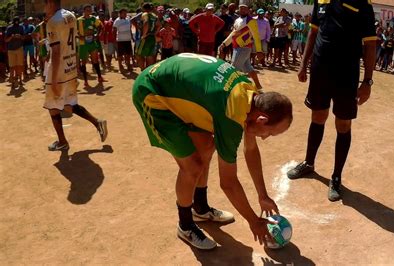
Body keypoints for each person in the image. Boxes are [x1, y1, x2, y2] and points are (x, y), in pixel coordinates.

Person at [132, 53, 292, 250]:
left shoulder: (252, 95)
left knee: (207, 146)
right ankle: (185, 224)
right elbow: (229, 183)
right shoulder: (232, 114)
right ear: (261, 120)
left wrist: (262, 195)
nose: (266, 137)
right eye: (270, 133)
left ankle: (200, 208)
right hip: (153, 93)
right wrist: (254, 221)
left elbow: (250, 150)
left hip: (180, 87)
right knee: (192, 166)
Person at [287, 0, 376, 201]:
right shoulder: (321, 0)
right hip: (320, 69)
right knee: (317, 116)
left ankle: (336, 176)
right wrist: (303, 64)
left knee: (343, 123)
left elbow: (370, 44)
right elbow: (313, 32)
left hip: (346, 73)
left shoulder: (363, 3)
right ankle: (309, 163)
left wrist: (367, 81)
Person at [42, 0, 108, 151]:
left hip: (58, 71)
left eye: (45, 4)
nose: (45, 8)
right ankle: (97, 122)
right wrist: (76, 66)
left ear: (51, 3)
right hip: (70, 67)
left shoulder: (53, 22)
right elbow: (75, 42)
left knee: (53, 107)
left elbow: (57, 52)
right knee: (69, 104)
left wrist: (53, 80)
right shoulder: (70, 16)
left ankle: (62, 141)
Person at [220, 0, 264, 90]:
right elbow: (233, 33)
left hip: (243, 48)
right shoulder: (237, 20)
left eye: (245, 8)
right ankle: (258, 85)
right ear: (239, 9)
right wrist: (224, 43)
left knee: (233, 68)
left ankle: (232, 89)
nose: (243, 10)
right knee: (248, 68)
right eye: (241, 8)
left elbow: (256, 36)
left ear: (248, 10)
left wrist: (259, 50)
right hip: (237, 47)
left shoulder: (251, 21)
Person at [77, 5, 106, 87]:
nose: (88, 11)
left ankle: (100, 77)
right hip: (83, 44)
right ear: (83, 10)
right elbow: (74, 31)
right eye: (87, 10)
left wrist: (97, 35)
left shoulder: (93, 19)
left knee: (95, 60)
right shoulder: (78, 20)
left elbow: (101, 26)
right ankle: (86, 81)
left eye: (90, 10)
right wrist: (79, 36)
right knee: (84, 62)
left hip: (92, 43)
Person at [136, 2, 160, 70]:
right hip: (152, 37)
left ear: (143, 8)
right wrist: (154, 33)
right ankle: (148, 70)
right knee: (149, 55)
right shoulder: (154, 15)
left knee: (138, 54)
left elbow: (146, 23)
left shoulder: (145, 14)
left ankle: (143, 69)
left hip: (146, 37)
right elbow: (159, 25)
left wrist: (144, 35)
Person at [5, 17, 25, 85]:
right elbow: (6, 40)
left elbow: (23, 38)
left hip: (19, 48)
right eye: (15, 22)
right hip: (11, 49)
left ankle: (20, 80)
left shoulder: (21, 27)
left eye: (17, 22)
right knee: (12, 66)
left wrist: (20, 36)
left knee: (20, 65)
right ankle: (12, 81)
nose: (16, 23)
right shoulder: (9, 28)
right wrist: (12, 36)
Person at [113, 8, 133, 73]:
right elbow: (114, 30)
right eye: (124, 13)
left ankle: (128, 66)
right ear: (120, 14)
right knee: (120, 55)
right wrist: (114, 39)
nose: (125, 14)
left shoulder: (128, 19)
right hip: (120, 40)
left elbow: (130, 29)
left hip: (128, 39)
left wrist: (132, 37)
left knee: (128, 54)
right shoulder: (117, 21)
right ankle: (120, 67)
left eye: (126, 13)